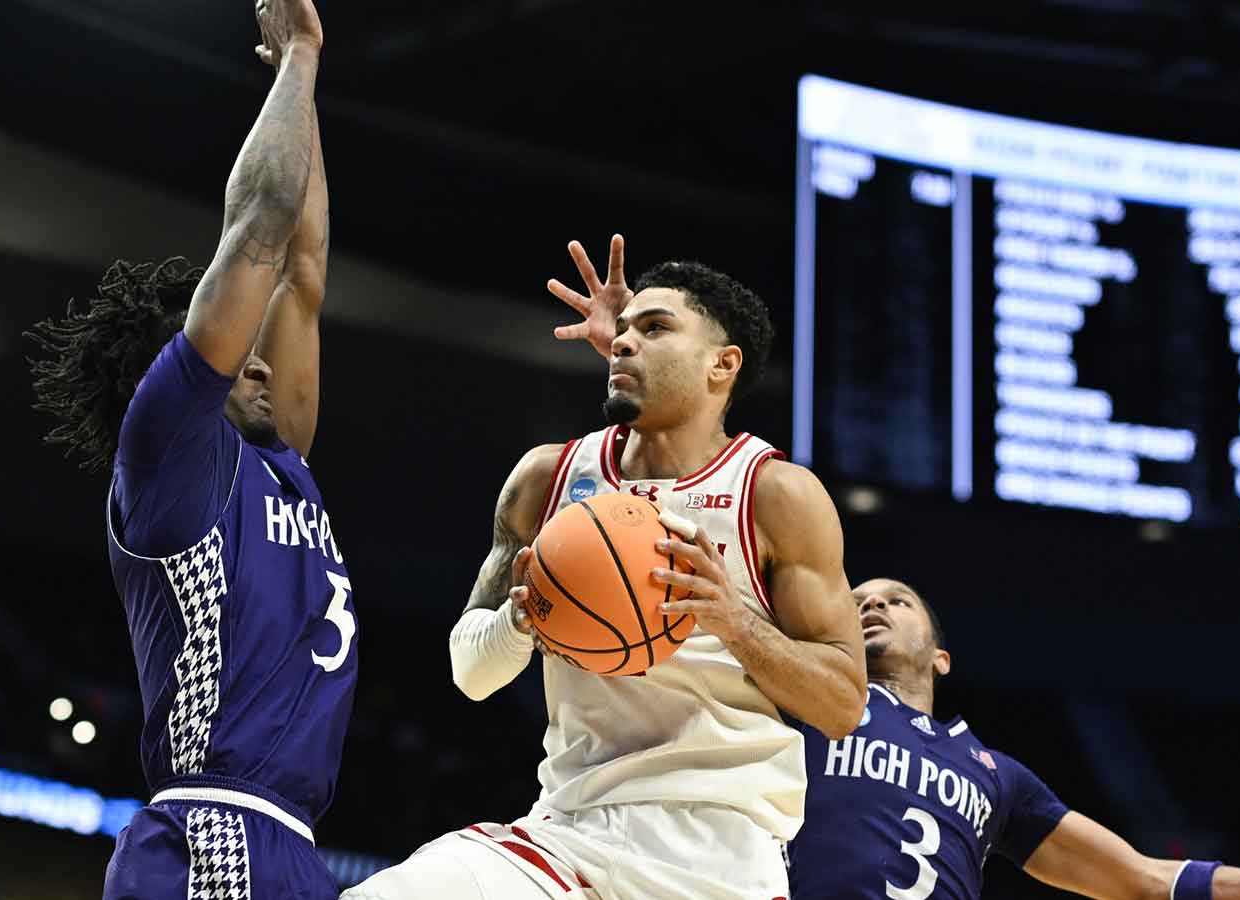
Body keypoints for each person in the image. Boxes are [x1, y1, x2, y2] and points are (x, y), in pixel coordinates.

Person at [345, 237, 868, 900]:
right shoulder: (547, 479)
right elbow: (470, 674)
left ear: (722, 365)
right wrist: (520, 617)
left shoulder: (775, 495)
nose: (623, 343)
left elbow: (844, 704)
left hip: (719, 858)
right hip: (569, 836)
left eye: (655, 329)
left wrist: (734, 621)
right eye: (622, 331)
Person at [25, 2, 351, 896]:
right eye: (233, 348)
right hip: (212, 830)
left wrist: (306, 76)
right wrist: (301, 61)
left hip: (292, 843)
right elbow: (259, 223)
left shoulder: (281, 454)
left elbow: (304, 267)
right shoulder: (169, 451)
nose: (258, 358)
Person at [788, 578, 1240, 900]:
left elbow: (1146, 879)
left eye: (896, 601)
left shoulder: (995, 774)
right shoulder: (800, 706)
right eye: (857, 601)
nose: (870, 605)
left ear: (942, 657)